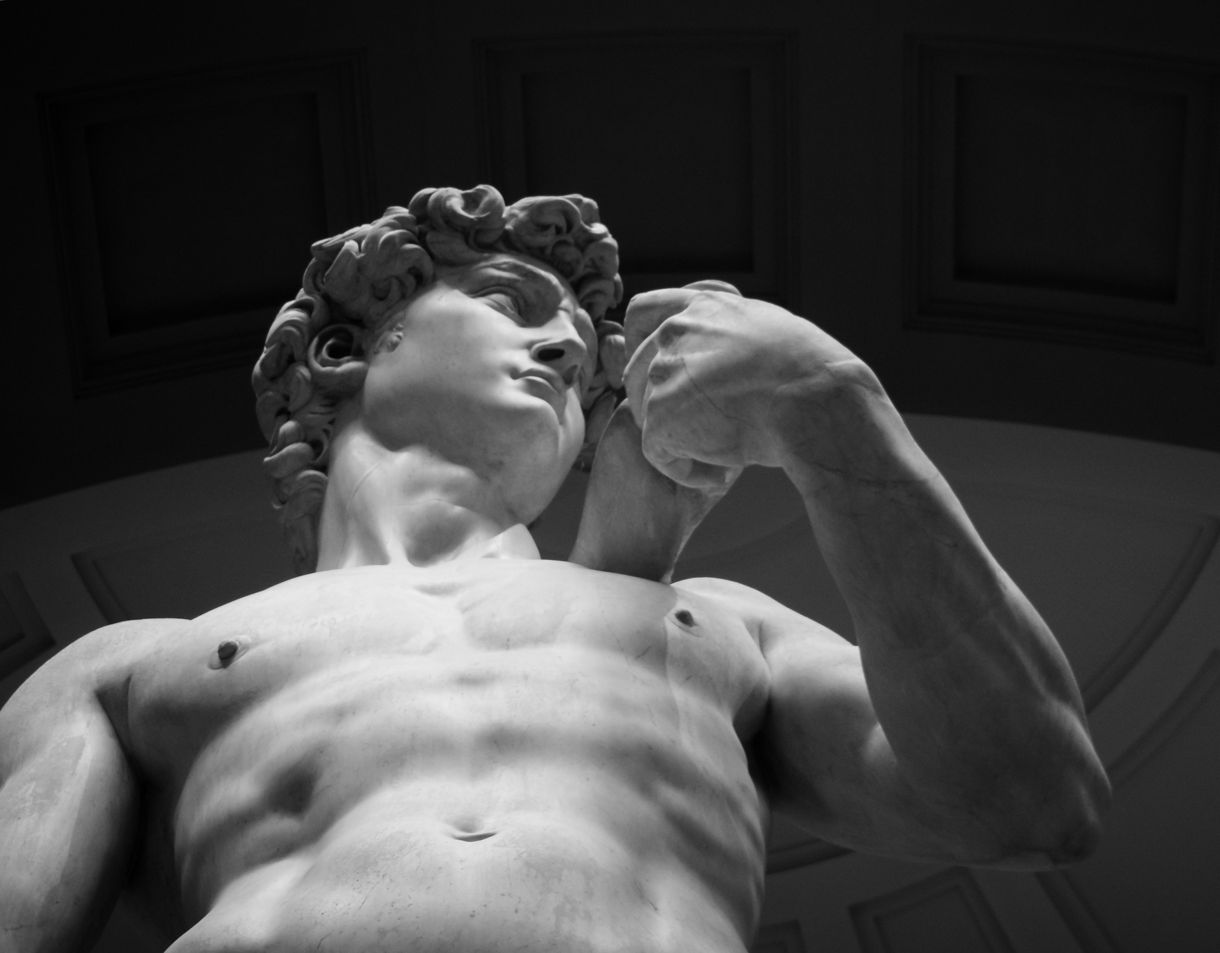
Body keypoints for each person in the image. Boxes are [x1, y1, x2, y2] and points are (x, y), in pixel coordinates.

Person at [0, 185, 1110, 953]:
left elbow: (1030, 798)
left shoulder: (707, 624)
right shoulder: (136, 664)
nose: (568, 348)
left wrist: (837, 414)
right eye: (508, 303)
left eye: (582, 350)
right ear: (346, 350)